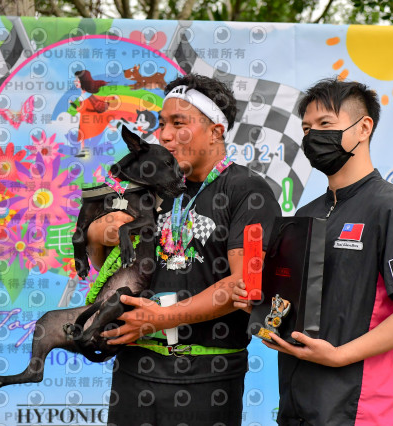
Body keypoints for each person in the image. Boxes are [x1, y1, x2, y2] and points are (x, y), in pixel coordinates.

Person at [233, 78, 393, 425]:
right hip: (297, 403)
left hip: (360, 407)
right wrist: (259, 305)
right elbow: (296, 303)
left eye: (325, 124)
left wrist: (340, 355)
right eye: (306, 128)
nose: (313, 136)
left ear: (364, 127)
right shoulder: (306, 214)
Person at [86, 73, 281, 426]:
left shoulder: (247, 190)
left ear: (215, 131)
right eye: (162, 124)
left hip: (206, 375)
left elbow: (243, 286)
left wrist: (161, 318)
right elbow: (109, 267)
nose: (164, 135)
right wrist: (97, 237)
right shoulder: (149, 188)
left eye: (179, 123)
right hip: (132, 368)